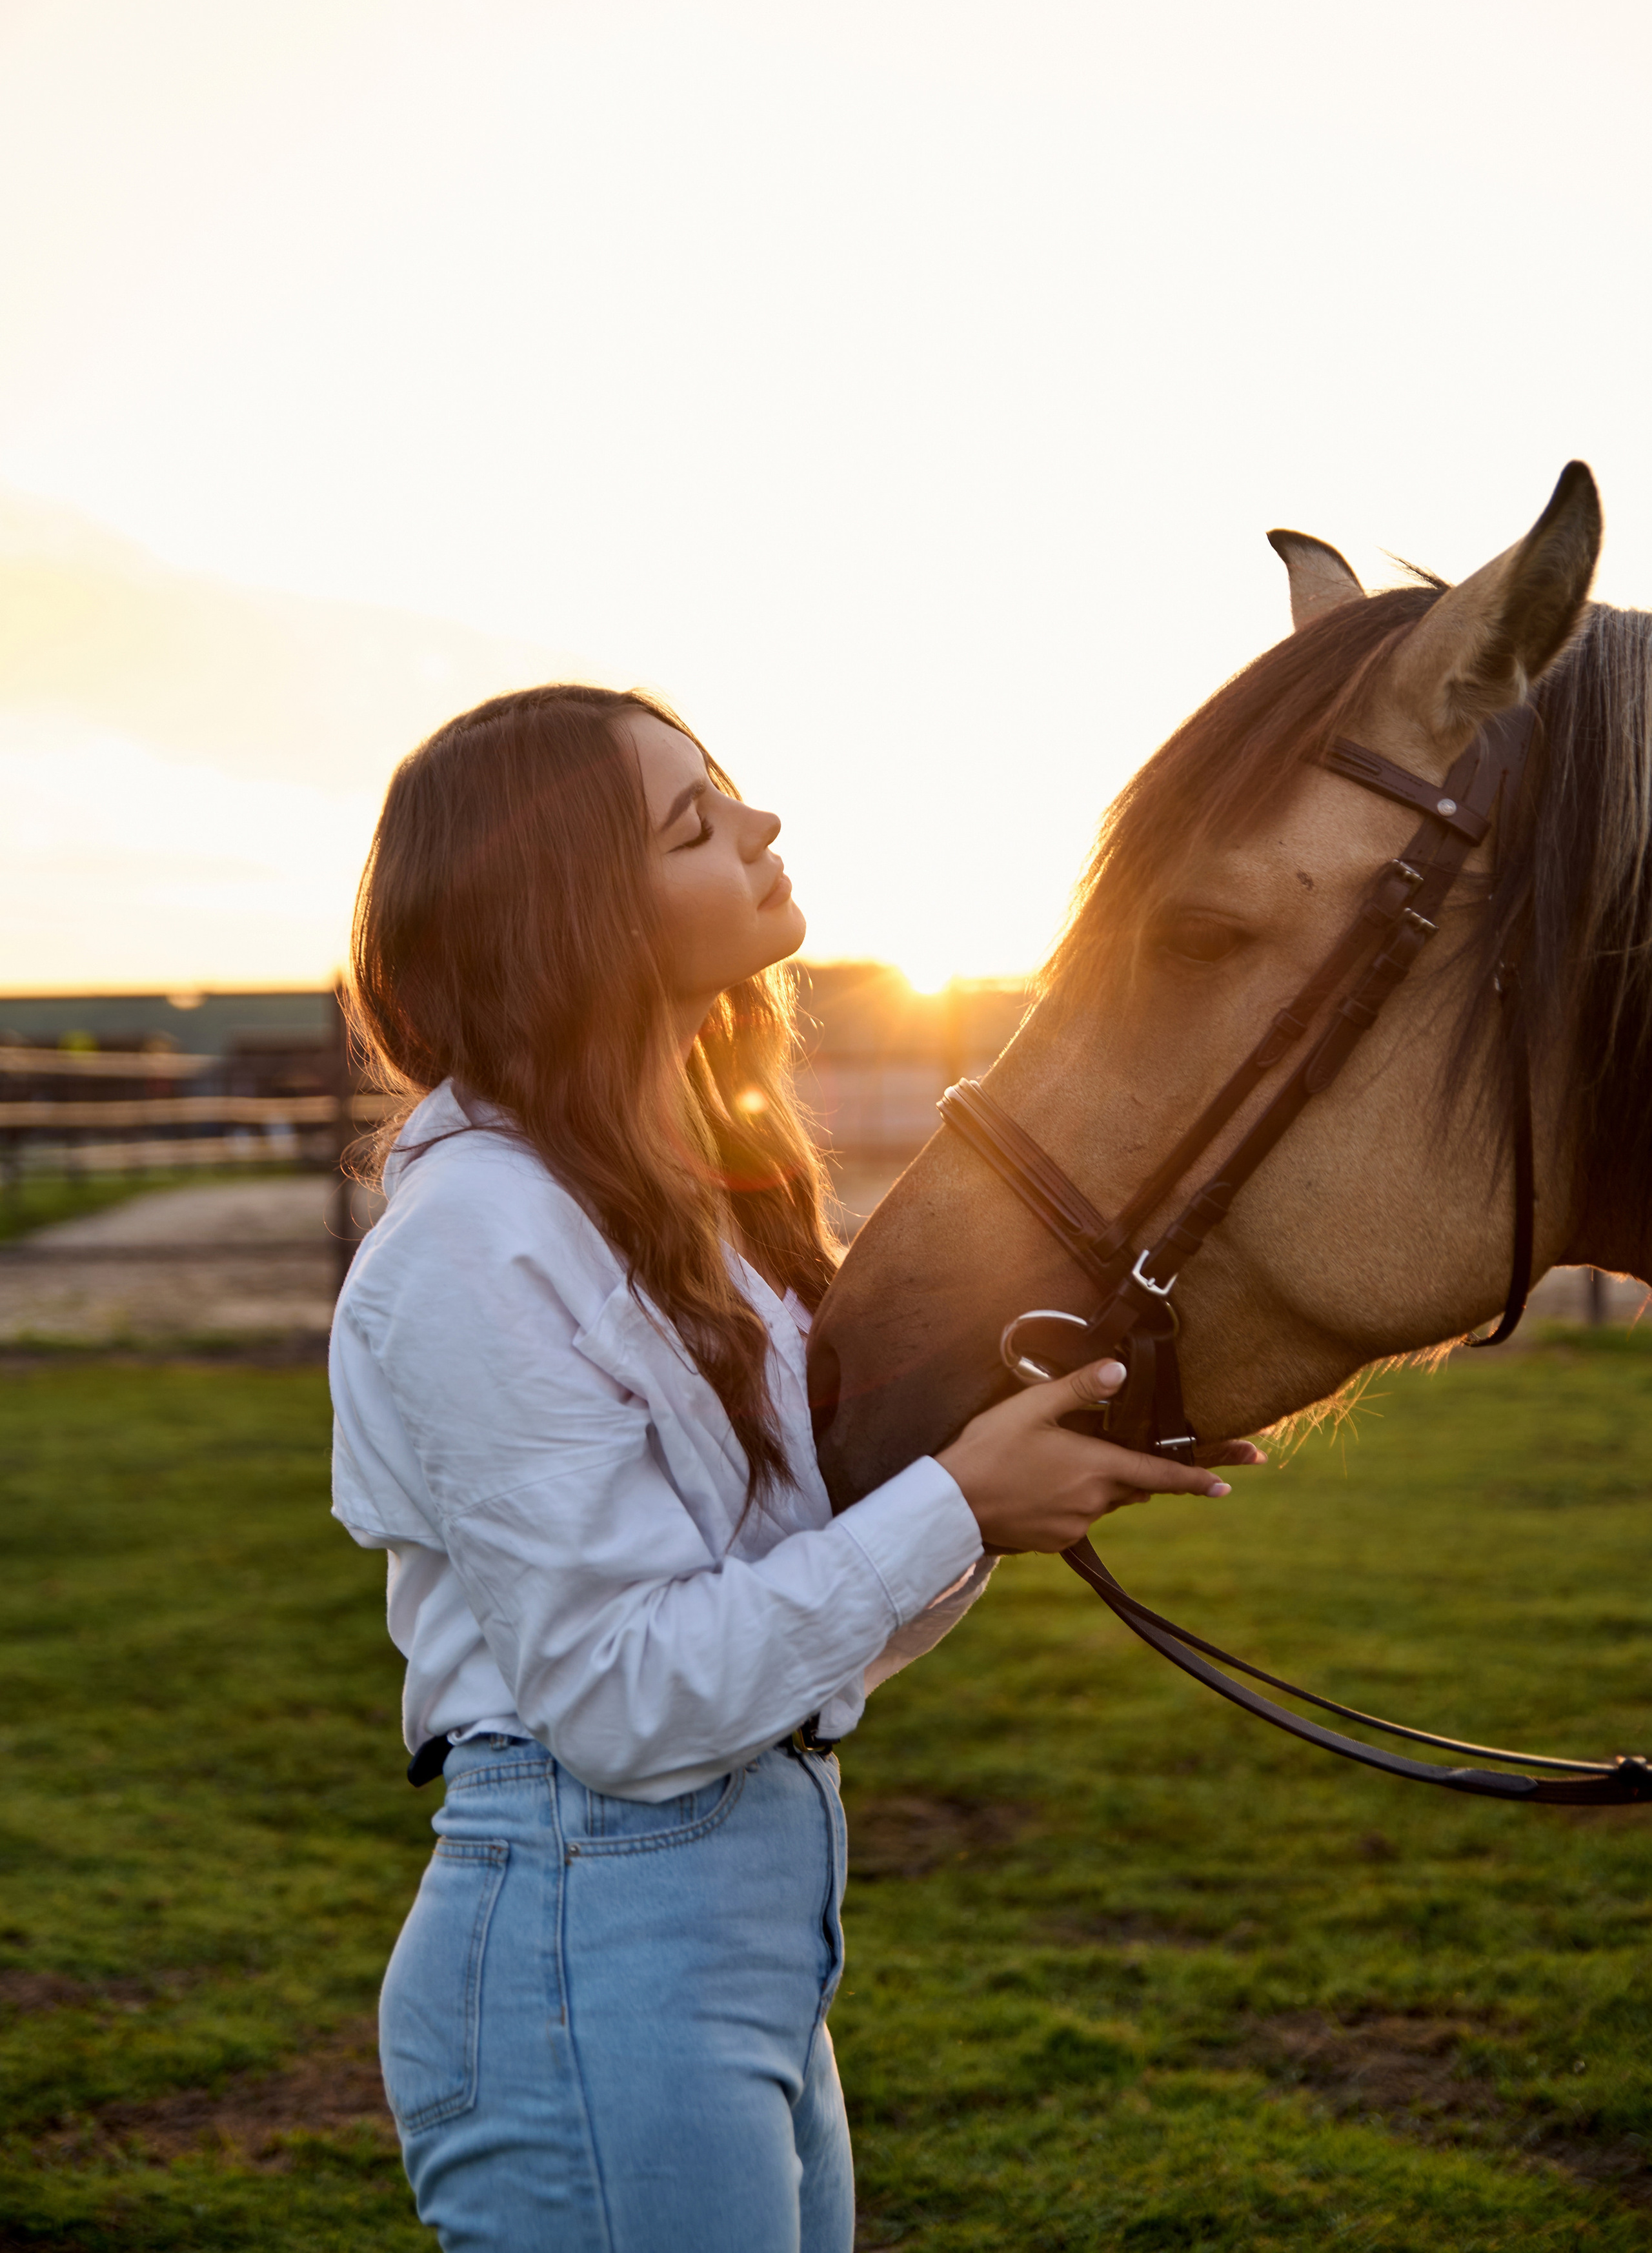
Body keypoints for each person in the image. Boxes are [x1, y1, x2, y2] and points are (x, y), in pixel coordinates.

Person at [329, 684, 1258, 2253]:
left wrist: (1014, 1481)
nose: (759, 825)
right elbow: (628, 1696)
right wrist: (955, 1502)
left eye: (728, 792)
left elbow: (799, 1624)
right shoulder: (479, 1234)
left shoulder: (691, 1208)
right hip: (587, 1938)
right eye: (690, 824)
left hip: (727, 1937)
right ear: (565, 913)